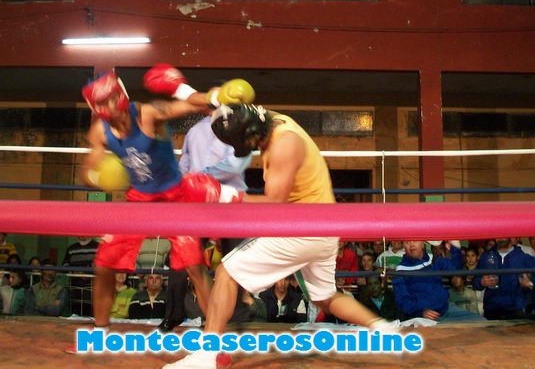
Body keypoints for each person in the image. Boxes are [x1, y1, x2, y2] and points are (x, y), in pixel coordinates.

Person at [164, 104, 392, 369]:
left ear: (252, 133)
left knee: (227, 273)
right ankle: (384, 328)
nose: (250, 149)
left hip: (301, 229)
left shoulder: (284, 143)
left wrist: (223, 195)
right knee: (325, 298)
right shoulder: (272, 123)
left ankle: (207, 356)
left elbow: (275, 203)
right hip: (324, 229)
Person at [77, 66, 254, 341]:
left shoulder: (147, 114)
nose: (110, 105)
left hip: (177, 196)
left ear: (121, 94)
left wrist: (214, 97)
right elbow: (88, 170)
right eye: (103, 102)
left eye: (112, 97)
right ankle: (99, 332)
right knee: (103, 263)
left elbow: (187, 105)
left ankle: (214, 338)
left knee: (194, 266)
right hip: (139, 200)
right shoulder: (100, 131)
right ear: (95, 107)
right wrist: (98, 176)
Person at [162, 113, 252, 332]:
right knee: (185, 257)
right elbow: (185, 166)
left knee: (233, 260)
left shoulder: (206, 130)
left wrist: (200, 178)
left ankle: (234, 317)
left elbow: (234, 165)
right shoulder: (201, 131)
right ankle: (176, 314)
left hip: (223, 200)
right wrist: (189, 186)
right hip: (207, 201)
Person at [393, 240, 482, 322]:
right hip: (424, 318)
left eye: (415, 241)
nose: (412, 245)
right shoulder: (400, 271)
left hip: (447, 309)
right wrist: (420, 313)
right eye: (407, 242)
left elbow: (455, 269)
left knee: (481, 322)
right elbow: (403, 301)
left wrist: (454, 246)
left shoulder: (434, 260)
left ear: (422, 244)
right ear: (403, 246)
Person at [472, 237, 535, 320]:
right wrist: (481, 282)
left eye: (503, 233)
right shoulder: (486, 256)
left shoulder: (522, 257)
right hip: (491, 311)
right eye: (498, 233)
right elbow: (475, 282)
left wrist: (531, 283)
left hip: (515, 311)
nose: (500, 237)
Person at [62, 236, 99, 317]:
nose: (82, 236)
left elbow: (102, 264)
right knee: (75, 314)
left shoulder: (98, 247)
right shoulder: (71, 249)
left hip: (93, 289)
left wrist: (86, 272)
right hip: (75, 289)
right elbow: (64, 265)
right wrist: (76, 272)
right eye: (79, 235)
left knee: (92, 316)